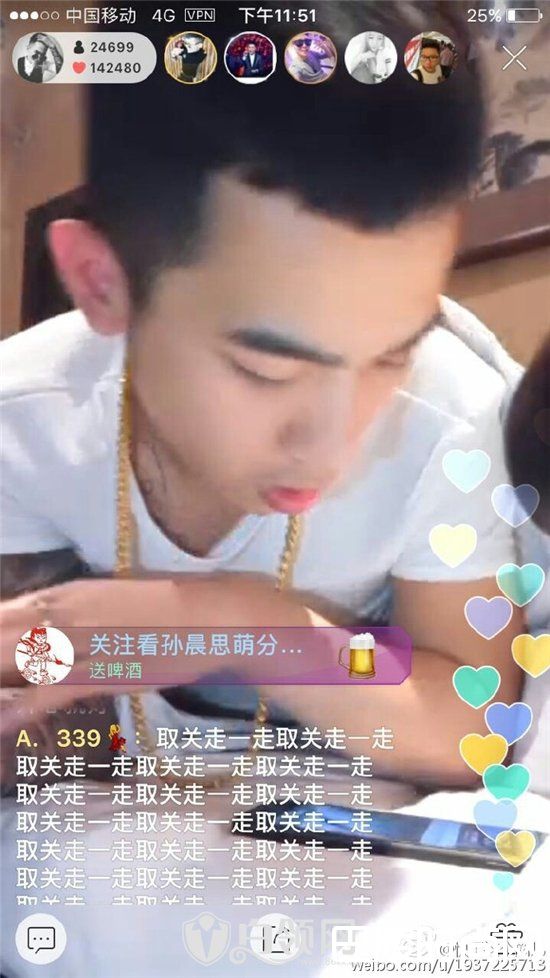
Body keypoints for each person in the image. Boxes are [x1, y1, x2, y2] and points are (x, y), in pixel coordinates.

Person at [0, 3, 532, 975]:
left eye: (391, 353)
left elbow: (473, 722)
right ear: (101, 281)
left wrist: (241, 626)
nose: (333, 441)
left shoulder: (453, 418)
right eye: (266, 368)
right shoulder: (22, 422)